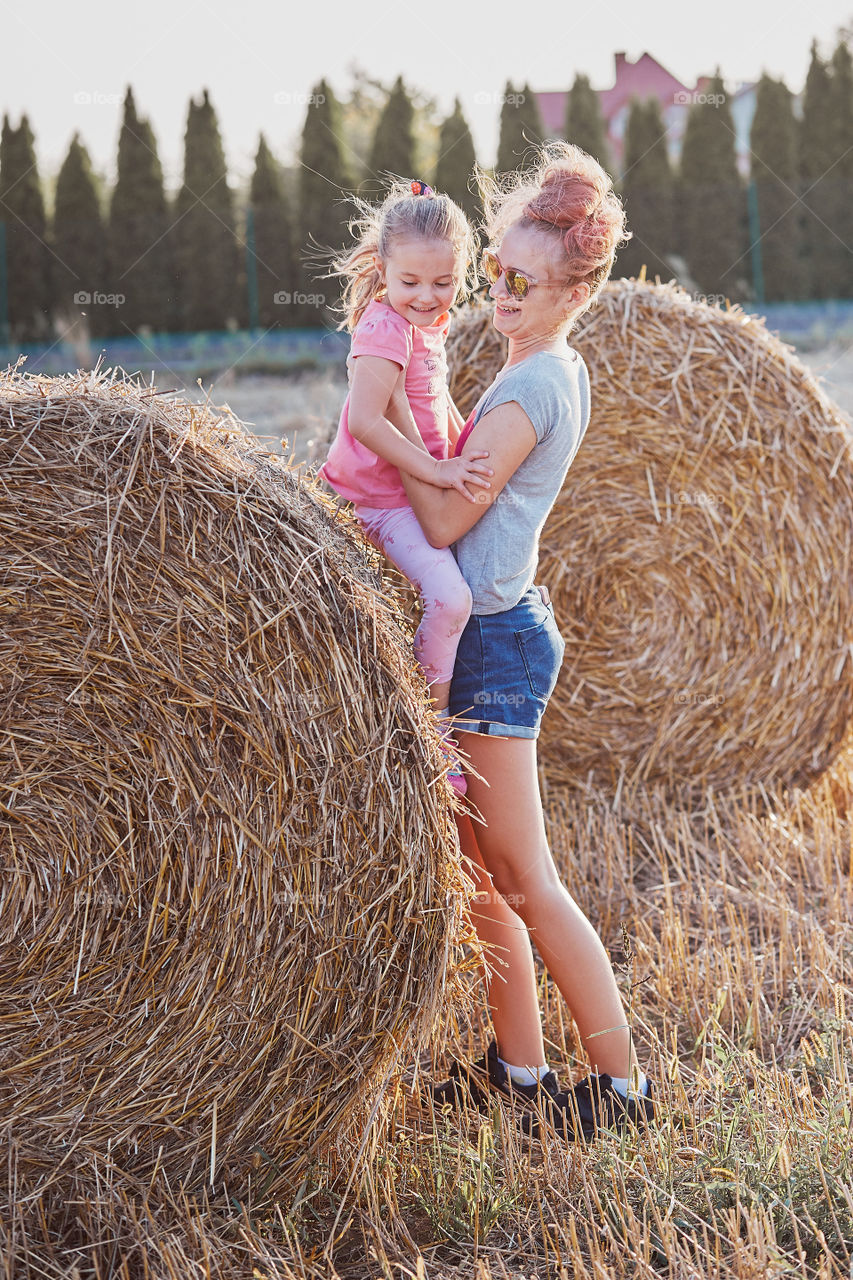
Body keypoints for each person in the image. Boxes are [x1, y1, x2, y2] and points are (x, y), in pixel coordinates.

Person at [390, 143, 656, 1141]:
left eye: (521, 281)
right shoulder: (544, 366)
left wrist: (380, 455)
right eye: (495, 271)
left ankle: (622, 1082)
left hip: (495, 637)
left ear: (573, 290)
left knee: (526, 873)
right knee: (482, 871)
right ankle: (520, 1064)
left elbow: (450, 523)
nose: (496, 292)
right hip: (492, 628)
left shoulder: (531, 387)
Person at [319, 179, 492, 795]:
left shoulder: (430, 325)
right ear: (382, 270)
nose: (427, 296)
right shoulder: (384, 329)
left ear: (461, 275)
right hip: (376, 500)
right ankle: (431, 730)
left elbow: (432, 399)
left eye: (443, 283)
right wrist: (440, 470)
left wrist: (468, 437)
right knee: (452, 600)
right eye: (411, 282)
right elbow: (366, 421)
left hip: (411, 490)